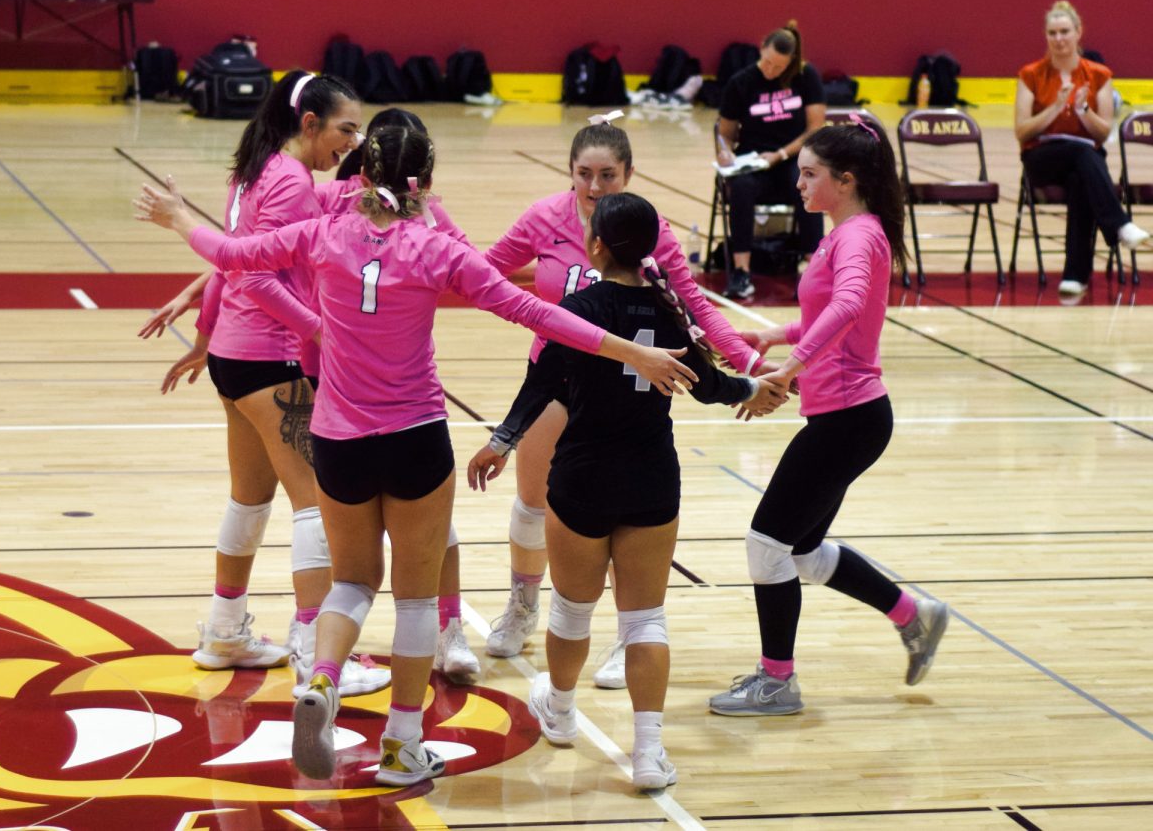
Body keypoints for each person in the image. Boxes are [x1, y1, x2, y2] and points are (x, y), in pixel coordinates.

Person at [134, 124, 701, 786]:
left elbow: (233, 256)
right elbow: (535, 313)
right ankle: (403, 745)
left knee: (350, 583)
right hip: (414, 437)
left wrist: (178, 219)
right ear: (425, 183)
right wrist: (632, 350)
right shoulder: (436, 252)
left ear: (361, 174)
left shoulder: (322, 235)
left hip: (338, 437)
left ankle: (322, 679)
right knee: (413, 599)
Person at [467, 192, 782, 792]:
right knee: (645, 620)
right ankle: (648, 752)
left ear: (596, 246)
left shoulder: (579, 307)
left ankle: (558, 710)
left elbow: (541, 383)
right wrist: (752, 389)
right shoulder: (667, 312)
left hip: (583, 476)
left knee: (571, 611)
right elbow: (710, 385)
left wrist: (501, 442)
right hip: (650, 477)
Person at [482, 115, 777, 689]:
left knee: (627, 512)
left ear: (629, 174)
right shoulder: (543, 218)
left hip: (631, 385)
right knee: (533, 500)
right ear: (569, 173)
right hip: (559, 376)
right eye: (584, 175)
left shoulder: (649, 230)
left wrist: (748, 364)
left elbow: (694, 309)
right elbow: (483, 276)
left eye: (608, 176)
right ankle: (522, 606)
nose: (595, 188)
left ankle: (626, 638)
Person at [136, 70, 388, 699]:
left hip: (234, 359)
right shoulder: (293, 183)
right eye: (345, 129)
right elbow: (254, 277)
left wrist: (206, 336)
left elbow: (231, 260)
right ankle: (311, 650)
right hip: (272, 362)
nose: (352, 144)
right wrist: (320, 330)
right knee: (316, 504)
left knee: (249, 499)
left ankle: (224, 632)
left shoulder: (253, 169)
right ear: (309, 123)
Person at [707, 120, 948, 718]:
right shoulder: (848, 231)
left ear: (845, 180)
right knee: (801, 550)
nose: (798, 181)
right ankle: (913, 615)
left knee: (767, 543)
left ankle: (777, 681)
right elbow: (837, 311)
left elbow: (846, 307)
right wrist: (771, 333)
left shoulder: (859, 236)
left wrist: (788, 368)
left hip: (850, 419)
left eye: (810, 173)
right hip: (849, 418)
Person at [317, 107, 479, 684]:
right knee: (403, 557)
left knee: (394, 555)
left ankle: (448, 628)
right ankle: (405, 732)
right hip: (372, 394)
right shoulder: (337, 207)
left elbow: (246, 253)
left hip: (357, 411)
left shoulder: (418, 212)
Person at [1014, 0, 1148, 297]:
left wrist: (1083, 109)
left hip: (1085, 158)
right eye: (1052, 33)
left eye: (1064, 31)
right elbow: (1021, 131)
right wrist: (1055, 109)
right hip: (1042, 157)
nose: (1058, 39)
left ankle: (1076, 276)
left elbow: (1103, 132)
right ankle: (1118, 225)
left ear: (1078, 32)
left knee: (1082, 177)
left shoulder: (1099, 75)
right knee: (1082, 155)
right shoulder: (1031, 75)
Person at [716, 22, 826, 300]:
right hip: (754, 162)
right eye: (767, 62)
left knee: (811, 183)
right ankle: (741, 272)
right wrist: (725, 152)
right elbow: (725, 134)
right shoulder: (740, 82)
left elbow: (815, 129)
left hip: (791, 160)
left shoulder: (805, 76)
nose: (770, 70)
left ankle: (813, 269)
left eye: (778, 67)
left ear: (791, 63)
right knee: (741, 188)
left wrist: (780, 154)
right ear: (761, 49)